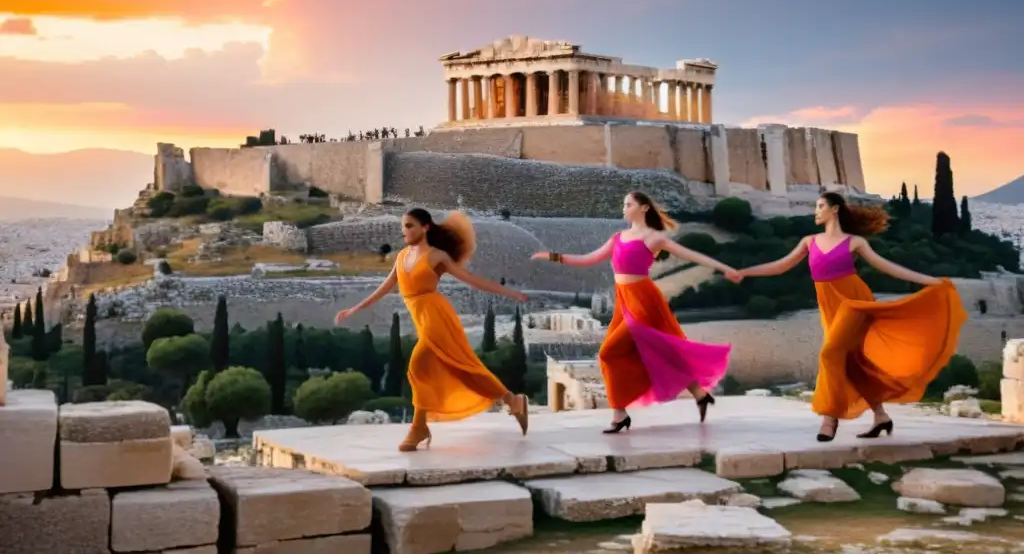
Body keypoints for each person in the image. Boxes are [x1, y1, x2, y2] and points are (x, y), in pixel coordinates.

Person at [732, 192, 966, 442]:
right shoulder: (809, 241)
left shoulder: (855, 242)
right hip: (830, 307)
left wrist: (931, 282)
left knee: (830, 354)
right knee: (853, 364)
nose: (816, 211)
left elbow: (887, 266)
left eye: (820, 206)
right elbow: (781, 265)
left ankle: (829, 418)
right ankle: (881, 417)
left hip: (855, 304)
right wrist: (746, 272)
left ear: (835, 209)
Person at [531, 191, 738, 433]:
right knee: (659, 350)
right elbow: (587, 259)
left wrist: (726, 269)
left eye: (628, 204)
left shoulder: (654, 238)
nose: (624, 209)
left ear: (644, 208)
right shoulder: (618, 237)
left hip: (643, 301)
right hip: (624, 301)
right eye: (624, 204)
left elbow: (694, 256)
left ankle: (619, 413)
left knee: (608, 353)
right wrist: (552, 256)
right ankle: (699, 394)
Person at [335, 208, 531, 452]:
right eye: (403, 227)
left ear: (425, 227)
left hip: (437, 318)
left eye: (409, 226)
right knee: (466, 371)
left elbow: (471, 279)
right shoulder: (402, 257)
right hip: (422, 320)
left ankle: (419, 428)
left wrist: (509, 293)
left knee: (418, 366)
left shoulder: (437, 256)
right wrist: (354, 309)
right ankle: (513, 400)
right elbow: (384, 287)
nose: (404, 231)